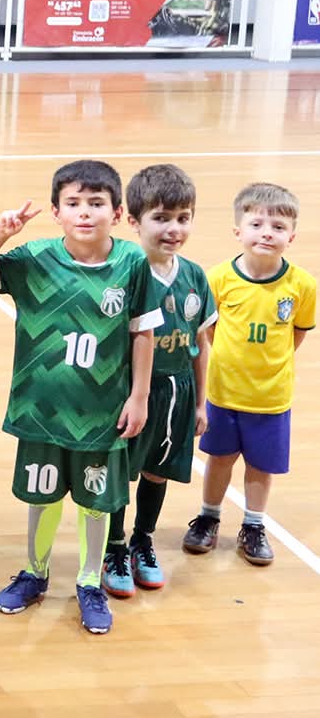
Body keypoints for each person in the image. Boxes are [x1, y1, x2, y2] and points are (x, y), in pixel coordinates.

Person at [0, 160, 161, 635]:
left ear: (116, 212)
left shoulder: (132, 263)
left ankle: (90, 582)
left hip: (101, 414)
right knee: (42, 493)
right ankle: (34, 572)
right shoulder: (34, 258)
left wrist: (139, 396)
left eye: (96, 204)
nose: (85, 213)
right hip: (41, 411)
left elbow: (143, 334)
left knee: (96, 501)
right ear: (56, 211)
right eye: (73, 204)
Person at [185, 182, 315, 568]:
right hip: (224, 393)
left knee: (261, 465)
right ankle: (209, 516)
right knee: (220, 458)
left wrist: (270, 366)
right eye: (257, 224)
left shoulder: (303, 286)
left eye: (277, 226)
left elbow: (297, 333)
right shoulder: (218, 278)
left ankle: (254, 526)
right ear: (238, 231)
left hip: (271, 397)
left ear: (291, 236)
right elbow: (209, 329)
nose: (266, 233)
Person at [98, 166, 214, 594]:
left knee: (158, 470)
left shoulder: (195, 276)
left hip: (178, 391)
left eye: (183, 217)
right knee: (119, 472)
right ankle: (113, 545)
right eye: (161, 217)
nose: (174, 228)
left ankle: (141, 540)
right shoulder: (123, 270)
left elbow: (200, 344)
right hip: (130, 393)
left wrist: (202, 402)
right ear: (134, 221)